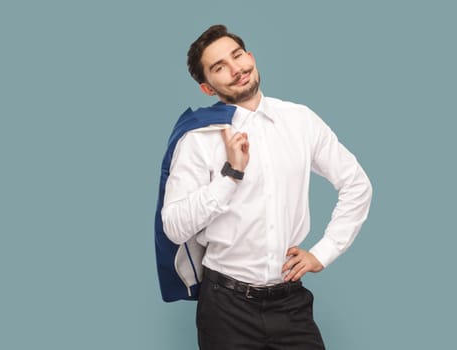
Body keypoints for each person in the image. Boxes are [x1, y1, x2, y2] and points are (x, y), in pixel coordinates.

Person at [159, 24, 372, 350]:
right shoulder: (197, 138)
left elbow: (356, 184)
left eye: (237, 56)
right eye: (219, 67)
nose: (236, 69)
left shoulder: (300, 120)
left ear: (251, 57)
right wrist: (230, 175)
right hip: (225, 308)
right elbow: (174, 227)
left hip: (290, 303)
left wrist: (323, 252)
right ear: (207, 88)